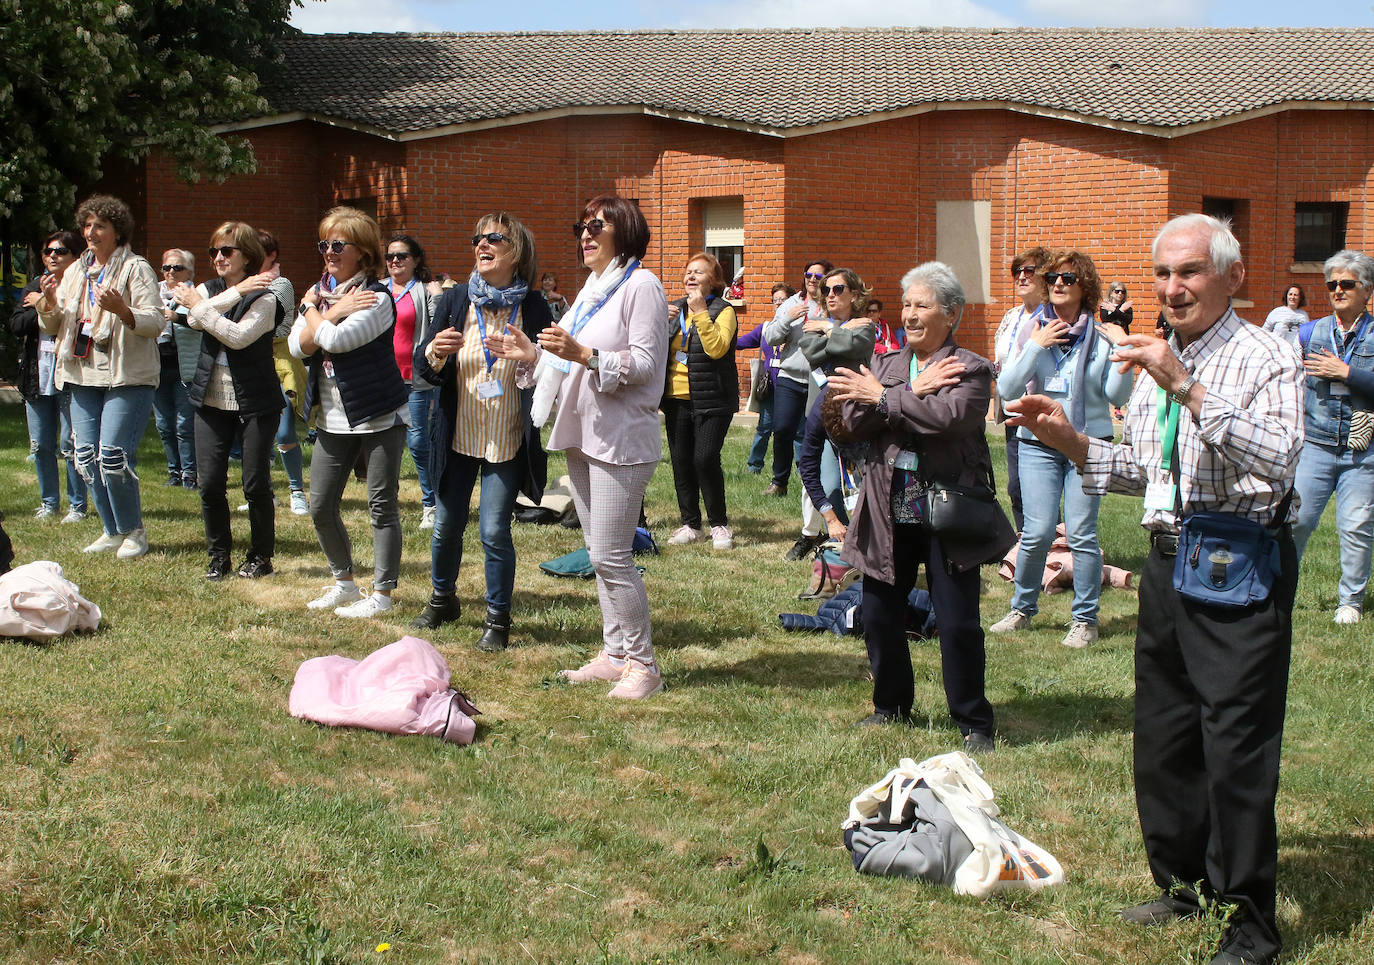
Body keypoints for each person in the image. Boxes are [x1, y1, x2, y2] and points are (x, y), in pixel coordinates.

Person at [1006, 214, 1301, 965]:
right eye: (1164, 273)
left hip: (1239, 567)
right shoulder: (1154, 360)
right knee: (1165, 737)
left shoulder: (1265, 353)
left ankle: (1250, 925)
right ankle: (1183, 885)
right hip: (1170, 562)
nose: (1173, 288)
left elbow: (1282, 456)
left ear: (1233, 277)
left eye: (1191, 272)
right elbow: (1141, 468)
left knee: (1234, 747)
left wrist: (1189, 387)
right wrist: (1067, 439)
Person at [487, 194, 669, 699]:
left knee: (612, 556)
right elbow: (567, 365)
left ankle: (644, 667)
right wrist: (532, 353)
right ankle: (615, 655)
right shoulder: (593, 290)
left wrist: (585, 353)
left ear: (624, 231)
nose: (585, 235)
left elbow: (646, 365)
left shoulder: (642, 286)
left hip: (621, 439)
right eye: (580, 227)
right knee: (597, 551)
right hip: (583, 433)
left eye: (596, 226)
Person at [829, 261, 1011, 751]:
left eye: (921, 305)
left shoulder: (969, 368)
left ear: (949, 314)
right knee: (880, 615)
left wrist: (886, 401)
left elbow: (947, 419)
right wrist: (908, 391)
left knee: (957, 623)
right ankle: (890, 707)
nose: (909, 314)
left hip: (947, 510)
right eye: (906, 304)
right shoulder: (887, 364)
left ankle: (973, 721)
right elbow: (849, 419)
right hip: (888, 507)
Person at [411, 212, 553, 652]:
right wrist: (434, 351)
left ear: (518, 251)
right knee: (446, 526)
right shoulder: (456, 299)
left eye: (494, 237)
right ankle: (442, 600)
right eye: (478, 238)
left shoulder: (533, 307)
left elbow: (553, 374)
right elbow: (423, 365)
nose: (482, 244)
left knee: (493, 531)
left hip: (506, 439)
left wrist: (530, 356)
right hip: (458, 437)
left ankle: (497, 620)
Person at [993, 248, 1134, 649]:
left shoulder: (1103, 336)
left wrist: (1124, 361)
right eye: (1052, 277)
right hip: (1036, 443)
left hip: (1087, 444)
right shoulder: (1031, 330)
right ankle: (1022, 608)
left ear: (1084, 286)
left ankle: (1085, 619)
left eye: (1067, 278)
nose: (1057, 283)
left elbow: (1114, 395)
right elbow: (1006, 391)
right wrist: (1036, 346)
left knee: (1081, 533)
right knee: (1035, 533)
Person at [290, 206, 409, 618]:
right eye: (324, 243)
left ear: (361, 251)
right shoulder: (324, 295)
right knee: (320, 505)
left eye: (337, 244)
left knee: (381, 505)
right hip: (333, 419)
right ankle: (344, 583)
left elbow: (336, 341)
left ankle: (383, 595)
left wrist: (313, 312)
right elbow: (298, 347)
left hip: (377, 414)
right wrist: (330, 312)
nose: (328, 251)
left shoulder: (376, 297)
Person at [36, 194, 162, 559]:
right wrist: (47, 302)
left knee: (112, 456)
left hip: (127, 375)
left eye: (99, 226)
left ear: (117, 231)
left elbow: (155, 321)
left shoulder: (136, 268)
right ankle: (111, 530)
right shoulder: (76, 271)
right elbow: (55, 324)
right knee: (85, 456)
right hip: (82, 373)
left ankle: (134, 531)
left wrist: (123, 310)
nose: (90, 233)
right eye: (87, 226)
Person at [173, 222, 282, 580]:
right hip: (210, 400)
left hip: (255, 401)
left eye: (226, 251)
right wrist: (233, 294)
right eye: (213, 251)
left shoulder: (266, 295)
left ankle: (260, 556)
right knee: (209, 484)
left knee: (254, 483)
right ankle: (219, 555)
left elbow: (236, 337)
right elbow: (189, 318)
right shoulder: (212, 288)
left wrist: (203, 307)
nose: (218, 258)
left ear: (247, 255)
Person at [1290, 250, 1374, 624]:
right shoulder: (1309, 333)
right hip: (1317, 447)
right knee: (1297, 522)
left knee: (1355, 526)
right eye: (1331, 285)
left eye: (1346, 284)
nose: (1337, 290)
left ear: (1366, 290)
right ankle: (1280, 592)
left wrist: (1347, 373)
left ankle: (1350, 602)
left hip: (1363, 452)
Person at [793, 267, 876, 550]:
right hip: (823, 412)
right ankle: (838, 540)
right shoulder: (813, 325)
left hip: (855, 416)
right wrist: (839, 334)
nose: (830, 295)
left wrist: (828, 330)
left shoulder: (865, 325)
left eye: (838, 289)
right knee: (829, 484)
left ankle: (864, 542)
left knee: (861, 486)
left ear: (854, 294)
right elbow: (812, 351)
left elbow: (855, 346)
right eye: (826, 290)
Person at [662, 252, 739, 550]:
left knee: (704, 458)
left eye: (699, 272)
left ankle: (719, 524)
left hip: (713, 398)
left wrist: (701, 313)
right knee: (681, 461)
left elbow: (717, 348)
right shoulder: (675, 309)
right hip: (676, 396)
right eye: (688, 272)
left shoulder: (723, 310)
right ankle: (691, 524)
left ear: (714, 280)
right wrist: (659, 323)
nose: (691, 276)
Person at [10, 230, 88, 522]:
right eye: (48, 251)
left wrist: (42, 302)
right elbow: (17, 324)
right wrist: (43, 301)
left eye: (60, 251)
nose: (52, 256)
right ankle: (49, 504)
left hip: (70, 372)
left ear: (75, 256)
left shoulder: (83, 287)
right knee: (41, 445)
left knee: (71, 444)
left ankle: (77, 506)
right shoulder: (35, 285)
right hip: (37, 373)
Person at [249, 229, 308, 516]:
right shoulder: (241, 283)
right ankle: (266, 492)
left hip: (278, 361)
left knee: (284, 432)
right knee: (255, 434)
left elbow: (265, 321)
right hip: (249, 361)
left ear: (271, 255)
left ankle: (297, 491)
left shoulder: (280, 283)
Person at [761, 258, 831, 498]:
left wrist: (825, 326)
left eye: (818, 276)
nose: (812, 279)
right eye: (808, 274)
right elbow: (770, 337)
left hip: (819, 379)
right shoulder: (791, 304)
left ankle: (814, 480)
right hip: (790, 376)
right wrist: (787, 318)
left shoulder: (831, 305)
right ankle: (779, 481)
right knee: (781, 429)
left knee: (816, 432)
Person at [992, 247, 1050, 533]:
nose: (1022, 277)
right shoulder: (1011, 315)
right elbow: (1000, 359)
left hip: (1037, 410)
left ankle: (1051, 545)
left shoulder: (1049, 317)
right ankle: (1025, 542)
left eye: (1030, 271)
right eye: (1018, 272)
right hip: (1011, 408)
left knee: (1038, 483)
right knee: (1015, 485)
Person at [385, 232, 440, 530]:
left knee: (418, 442)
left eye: (401, 256)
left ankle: (430, 504)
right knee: (383, 443)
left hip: (415, 380)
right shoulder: (378, 290)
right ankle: (385, 500)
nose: (394, 261)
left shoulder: (423, 290)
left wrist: (439, 295)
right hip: (383, 380)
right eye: (390, 256)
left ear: (415, 260)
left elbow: (438, 324)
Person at [153, 250, 198, 489]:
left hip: (185, 368)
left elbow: (202, 322)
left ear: (190, 272)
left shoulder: (196, 294)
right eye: (166, 268)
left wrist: (176, 318)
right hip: (156, 366)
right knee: (163, 424)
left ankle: (190, 474)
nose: (170, 272)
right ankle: (174, 471)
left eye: (177, 268)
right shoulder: (151, 294)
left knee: (184, 424)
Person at [738, 282, 791, 474]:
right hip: (769, 386)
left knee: (793, 432)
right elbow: (742, 342)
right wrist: (721, 341)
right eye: (775, 300)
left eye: (782, 300)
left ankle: (801, 469)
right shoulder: (766, 328)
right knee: (764, 428)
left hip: (791, 388)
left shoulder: (798, 328)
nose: (778, 304)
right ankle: (754, 466)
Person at [1261, 284, 1308, 351]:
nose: (1292, 297)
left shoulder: (1303, 315)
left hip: (1296, 353)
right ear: (1286, 296)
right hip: (1278, 351)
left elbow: (1306, 334)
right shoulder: (1277, 312)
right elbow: (1265, 331)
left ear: (1300, 298)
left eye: (1295, 295)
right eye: (1290, 294)